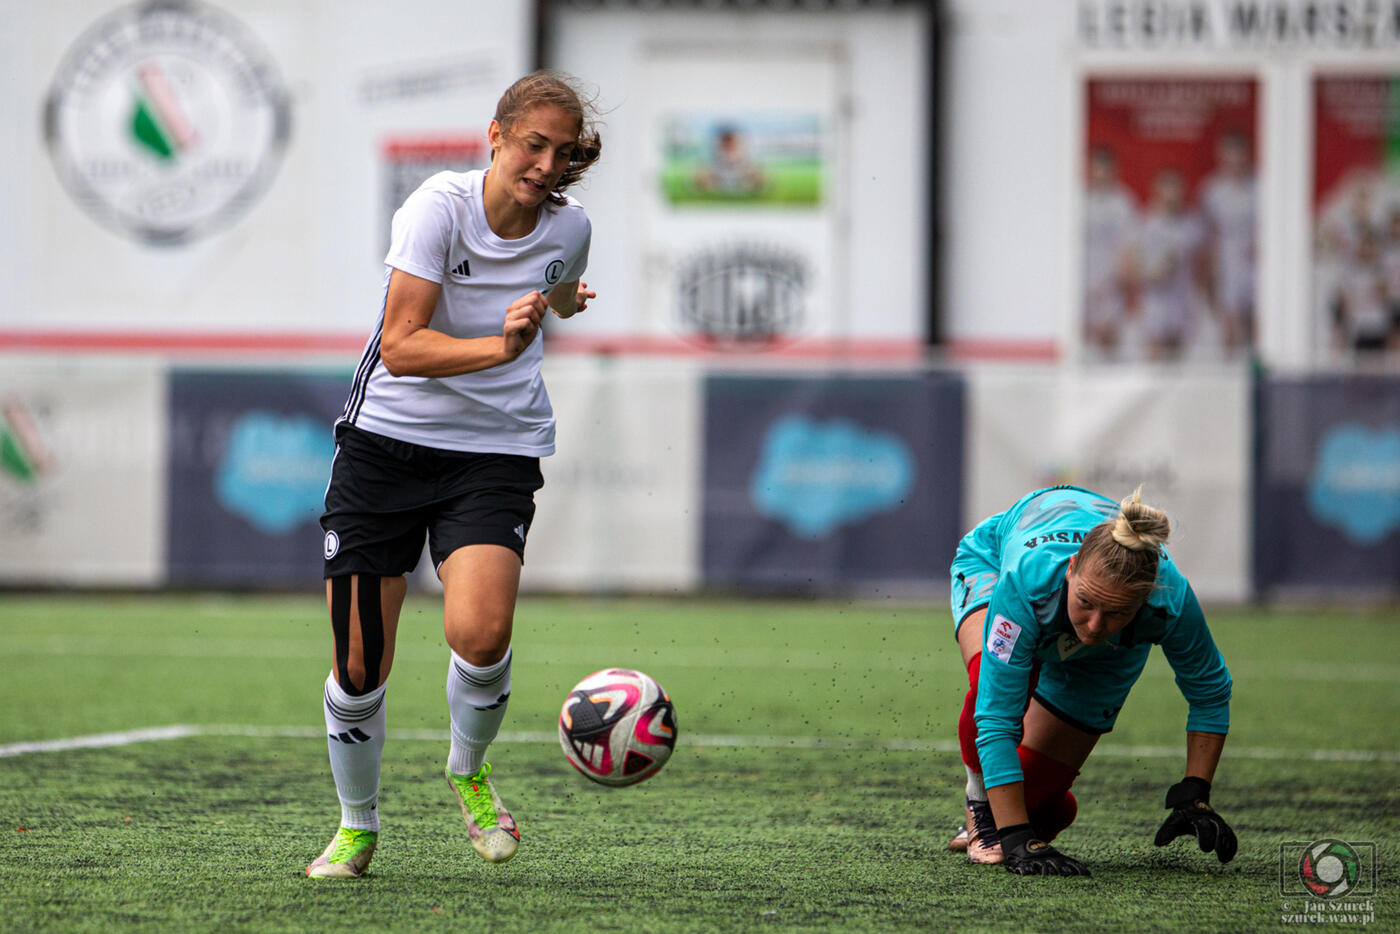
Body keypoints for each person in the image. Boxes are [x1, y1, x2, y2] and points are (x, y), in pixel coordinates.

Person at [306, 71, 602, 879]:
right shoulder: (438, 207)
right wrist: (498, 349)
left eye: (561, 151)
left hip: (495, 450)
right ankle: (357, 826)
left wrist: (569, 302)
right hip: (384, 447)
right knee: (361, 664)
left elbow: (560, 287)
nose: (544, 163)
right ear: (496, 135)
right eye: (532, 144)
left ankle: (468, 772)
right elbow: (401, 346)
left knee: (482, 633)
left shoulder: (570, 228)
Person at [945, 485, 1236, 876]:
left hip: (1115, 653)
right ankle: (979, 808)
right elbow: (997, 716)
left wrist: (1195, 790)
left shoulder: (1170, 601)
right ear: (1069, 570)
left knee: (1040, 801)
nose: (1095, 626)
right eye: (1086, 602)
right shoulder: (1024, 582)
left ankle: (1014, 814)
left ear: (1144, 599)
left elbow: (1210, 690)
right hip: (992, 563)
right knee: (989, 682)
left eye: (1116, 612)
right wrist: (1014, 835)